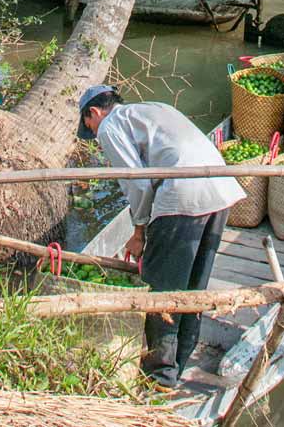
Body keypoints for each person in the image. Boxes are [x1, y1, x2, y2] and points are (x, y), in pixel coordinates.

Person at [77, 85, 245, 389]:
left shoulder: (110, 125)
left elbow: (137, 184)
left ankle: (159, 376)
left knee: (162, 289)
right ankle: (180, 361)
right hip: (220, 189)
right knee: (195, 286)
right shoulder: (151, 108)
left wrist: (139, 232)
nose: (94, 134)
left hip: (184, 194)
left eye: (89, 125)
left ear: (94, 112)